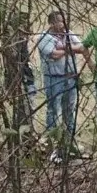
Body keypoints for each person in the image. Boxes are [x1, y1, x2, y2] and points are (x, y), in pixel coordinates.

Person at [36, 10, 85, 140]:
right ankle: (52, 139)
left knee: (69, 109)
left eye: (63, 20)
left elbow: (81, 47)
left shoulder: (68, 34)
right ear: (51, 23)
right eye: (59, 21)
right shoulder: (44, 37)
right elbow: (54, 54)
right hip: (54, 78)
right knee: (53, 109)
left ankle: (69, 139)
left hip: (70, 77)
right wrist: (69, 48)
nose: (62, 24)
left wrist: (63, 47)